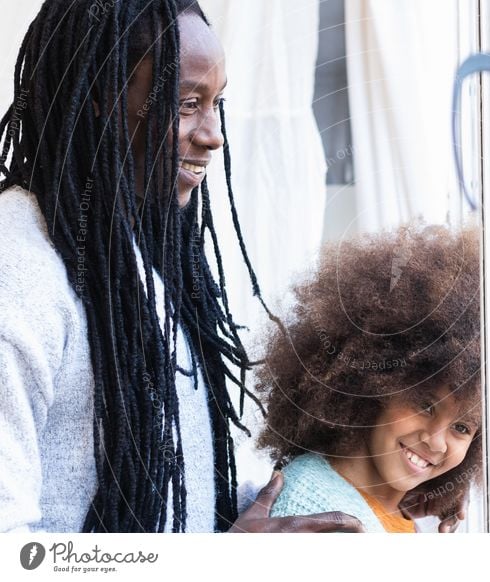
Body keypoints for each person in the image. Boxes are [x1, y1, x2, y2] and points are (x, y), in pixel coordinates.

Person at [0, 0, 366, 533]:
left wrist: (383, 476)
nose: (213, 134)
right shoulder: (19, 276)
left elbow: (189, 491)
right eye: (188, 104)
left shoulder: (136, 254)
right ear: (100, 98)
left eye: (217, 103)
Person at [256, 225, 482, 532]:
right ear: (374, 381)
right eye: (426, 405)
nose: (437, 441)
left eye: (462, 428)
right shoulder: (317, 511)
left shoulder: (391, 515)